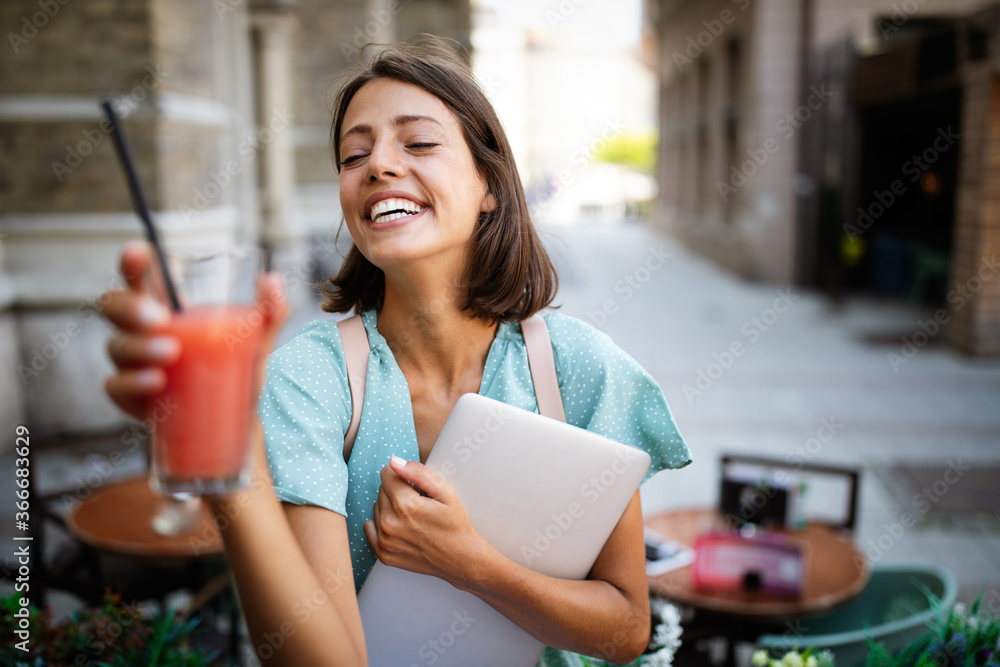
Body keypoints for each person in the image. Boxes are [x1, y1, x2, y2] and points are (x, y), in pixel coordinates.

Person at [100, 37, 691, 667]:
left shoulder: (581, 369)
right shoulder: (311, 377)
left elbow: (626, 631)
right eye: (354, 154)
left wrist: (470, 564)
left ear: (488, 184)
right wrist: (234, 466)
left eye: (418, 142)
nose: (377, 164)